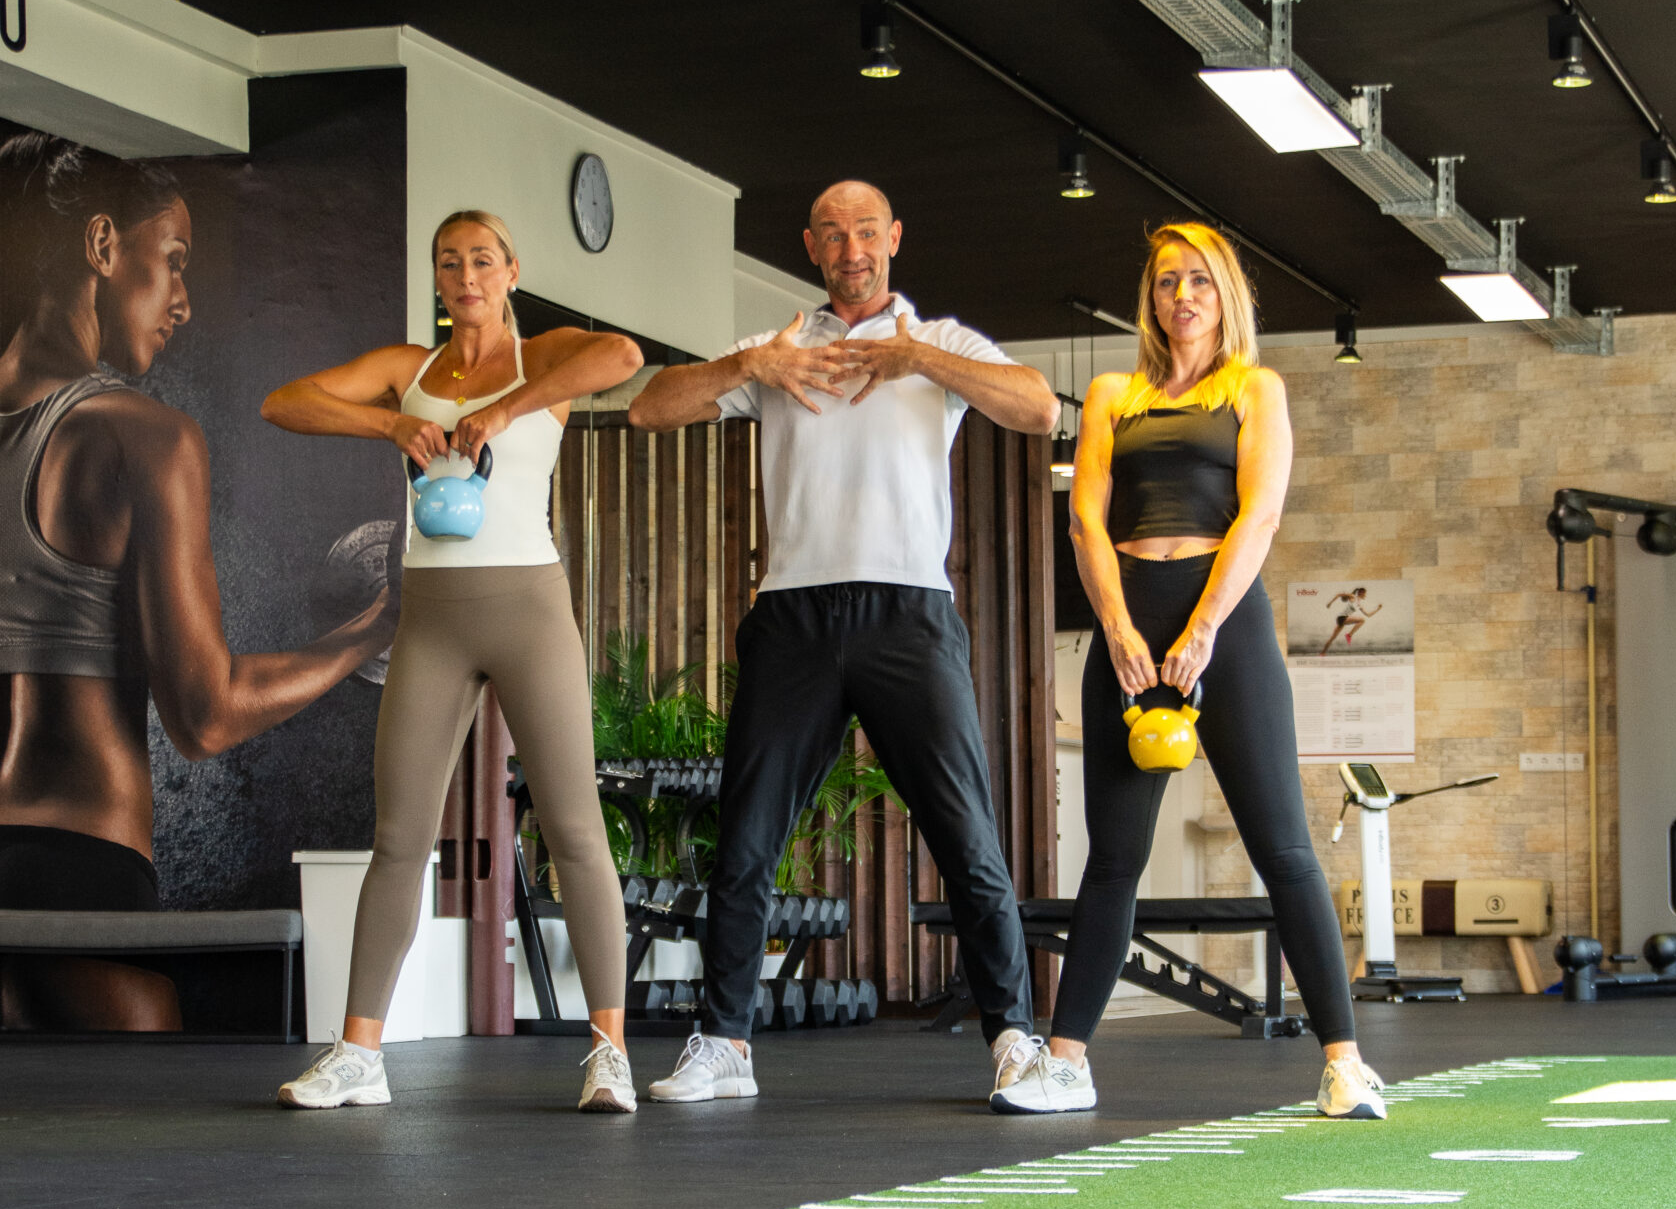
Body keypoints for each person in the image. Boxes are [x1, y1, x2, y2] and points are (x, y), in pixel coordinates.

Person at [627, 178, 1059, 1109]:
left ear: (893, 237)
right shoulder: (779, 348)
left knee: (968, 838)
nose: (850, 248)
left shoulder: (940, 342)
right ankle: (724, 1044)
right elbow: (649, 409)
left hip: (909, 612)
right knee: (746, 841)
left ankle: (1015, 1042)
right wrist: (750, 366)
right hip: (793, 614)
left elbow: (1037, 409)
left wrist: (915, 358)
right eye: (831, 233)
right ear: (811, 247)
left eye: (865, 231)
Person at [0, 132, 390, 1031]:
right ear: (102, 245)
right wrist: (374, 627)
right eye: (173, 260)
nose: (182, 302)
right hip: (81, 870)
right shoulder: (143, 434)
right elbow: (205, 714)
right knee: (161, 1126)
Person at [1001, 221, 1384, 1120]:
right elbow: (1085, 521)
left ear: (1226, 295)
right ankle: (1066, 1062)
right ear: (1150, 297)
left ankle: (1344, 1064)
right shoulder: (1111, 394)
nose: (1182, 296)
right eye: (1168, 280)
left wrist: (1205, 624)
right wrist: (1117, 628)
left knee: (1282, 850)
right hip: (1128, 626)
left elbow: (1259, 515)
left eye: (1200, 281)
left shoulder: (1254, 388)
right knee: (1113, 859)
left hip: (1226, 623)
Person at [264, 210, 642, 1113]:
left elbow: (624, 355)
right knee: (398, 838)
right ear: (436, 278)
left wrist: (506, 408)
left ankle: (609, 1052)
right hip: (430, 618)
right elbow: (285, 402)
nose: (465, 275)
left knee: (575, 830)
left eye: (481, 260)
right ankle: (360, 1055)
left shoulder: (541, 356)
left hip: (528, 610)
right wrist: (389, 425)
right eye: (449, 262)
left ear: (511, 270)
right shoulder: (411, 369)